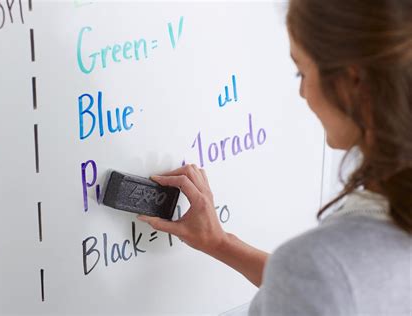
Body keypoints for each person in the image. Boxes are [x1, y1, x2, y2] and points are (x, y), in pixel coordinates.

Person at [137, 0, 412, 315]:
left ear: (352, 83)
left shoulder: (322, 267)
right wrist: (220, 242)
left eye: (301, 73)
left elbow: (322, 285)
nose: (302, 93)